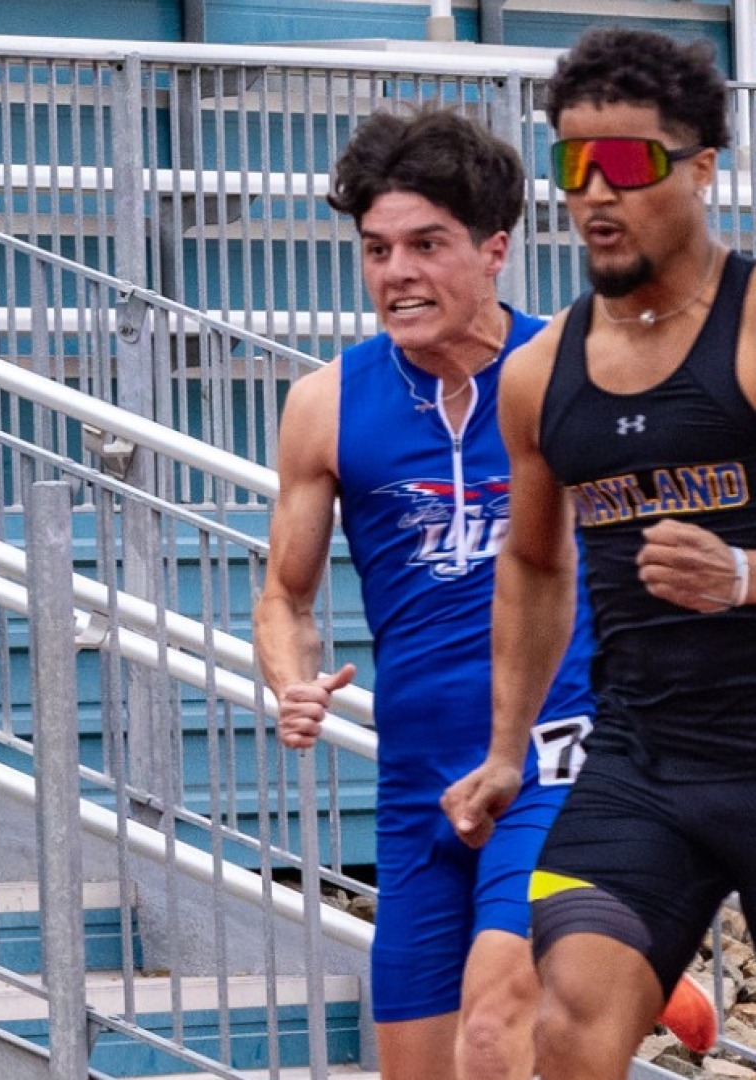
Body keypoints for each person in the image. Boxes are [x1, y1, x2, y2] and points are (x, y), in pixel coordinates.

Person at [253, 107, 599, 1080]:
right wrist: (289, 680)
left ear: (493, 250)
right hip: (414, 786)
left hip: (552, 756)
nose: (394, 272)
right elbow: (284, 597)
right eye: (374, 249)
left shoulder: (568, 371)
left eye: (424, 244)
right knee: (418, 1069)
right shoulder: (324, 403)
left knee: (491, 1033)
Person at [443, 27, 755, 1080]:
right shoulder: (539, 373)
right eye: (571, 165)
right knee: (565, 1019)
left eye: (624, 163)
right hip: (642, 767)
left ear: (701, 167)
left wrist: (744, 577)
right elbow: (533, 566)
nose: (591, 193)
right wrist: (503, 747)